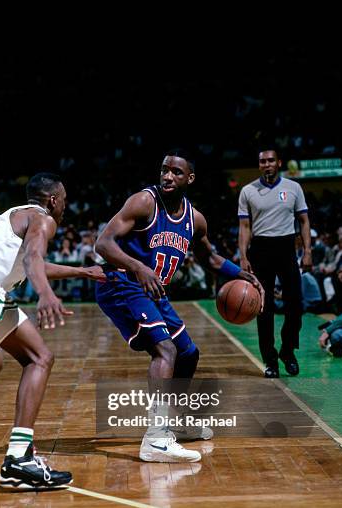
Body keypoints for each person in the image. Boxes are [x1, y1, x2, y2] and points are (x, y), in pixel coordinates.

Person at [95, 149, 264, 463]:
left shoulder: (194, 219)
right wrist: (138, 267)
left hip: (153, 292)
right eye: (164, 170)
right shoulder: (144, 202)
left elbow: (209, 258)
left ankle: (177, 420)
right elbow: (102, 243)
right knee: (166, 350)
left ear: (190, 178)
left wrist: (243, 275)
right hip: (121, 283)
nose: (168, 176)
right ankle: (156, 439)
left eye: (176, 172)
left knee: (188, 352)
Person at [0, 173, 106, 489]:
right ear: (53, 200)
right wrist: (45, 294)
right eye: (65, 200)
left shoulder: (15, 217)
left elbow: (34, 263)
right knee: (40, 358)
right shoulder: (43, 219)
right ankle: (18, 458)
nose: (65, 207)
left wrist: (82, 271)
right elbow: (33, 260)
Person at [238, 148, 312, 378]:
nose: (267, 164)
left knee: (296, 306)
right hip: (260, 249)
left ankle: (288, 352)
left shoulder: (294, 188)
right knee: (264, 308)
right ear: (259, 165)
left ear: (278, 162)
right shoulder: (247, 191)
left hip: (287, 248)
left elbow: (304, 220)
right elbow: (244, 227)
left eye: (271, 160)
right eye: (262, 161)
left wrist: (308, 251)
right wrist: (243, 256)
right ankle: (270, 361)